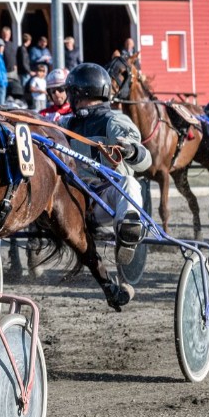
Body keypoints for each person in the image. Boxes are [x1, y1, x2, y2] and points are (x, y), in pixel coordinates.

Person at [60, 63, 151, 291]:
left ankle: (128, 232)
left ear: (79, 94)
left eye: (70, 93)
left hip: (107, 200)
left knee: (129, 183)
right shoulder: (67, 123)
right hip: (76, 201)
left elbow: (144, 160)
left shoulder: (114, 121)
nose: (68, 98)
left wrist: (130, 149)